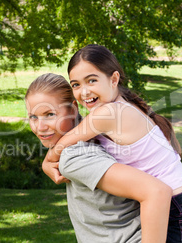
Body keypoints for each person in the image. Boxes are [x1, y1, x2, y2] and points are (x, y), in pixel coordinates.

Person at [45, 44, 182, 243]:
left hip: (179, 210)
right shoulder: (125, 106)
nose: (84, 91)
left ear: (114, 79)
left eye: (92, 80)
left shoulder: (109, 113)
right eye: (76, 84)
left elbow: (65, 142)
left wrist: (48, 162)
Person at [25, 73, 173, 243]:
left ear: (73, 109)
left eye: (50, 114)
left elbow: (157, 192)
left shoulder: (74, 156)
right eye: (33, 117)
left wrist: (51, 158)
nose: (40, 127)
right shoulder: (100, 132)